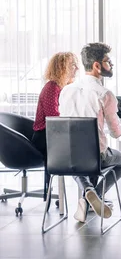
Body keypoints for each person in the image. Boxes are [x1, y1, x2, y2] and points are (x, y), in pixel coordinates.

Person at [58, 43, 121, 223]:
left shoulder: (66, 90)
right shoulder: (105, 94)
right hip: (96, 155)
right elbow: (115, 133)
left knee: (76, 159)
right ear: (97, 66)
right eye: (108, 61)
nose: (112, 64)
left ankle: (87, 193)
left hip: (67, 155)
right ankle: (94, 196)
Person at [31, 52, 79, 199]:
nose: (76, 68)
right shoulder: (52, 87)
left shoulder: (62, 87)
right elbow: (54, 118)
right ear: (61, 68)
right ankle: (89, 192)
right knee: (82, 151)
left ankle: (88, 193)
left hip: (54, 134)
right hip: (45, 137)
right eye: (72, 65)